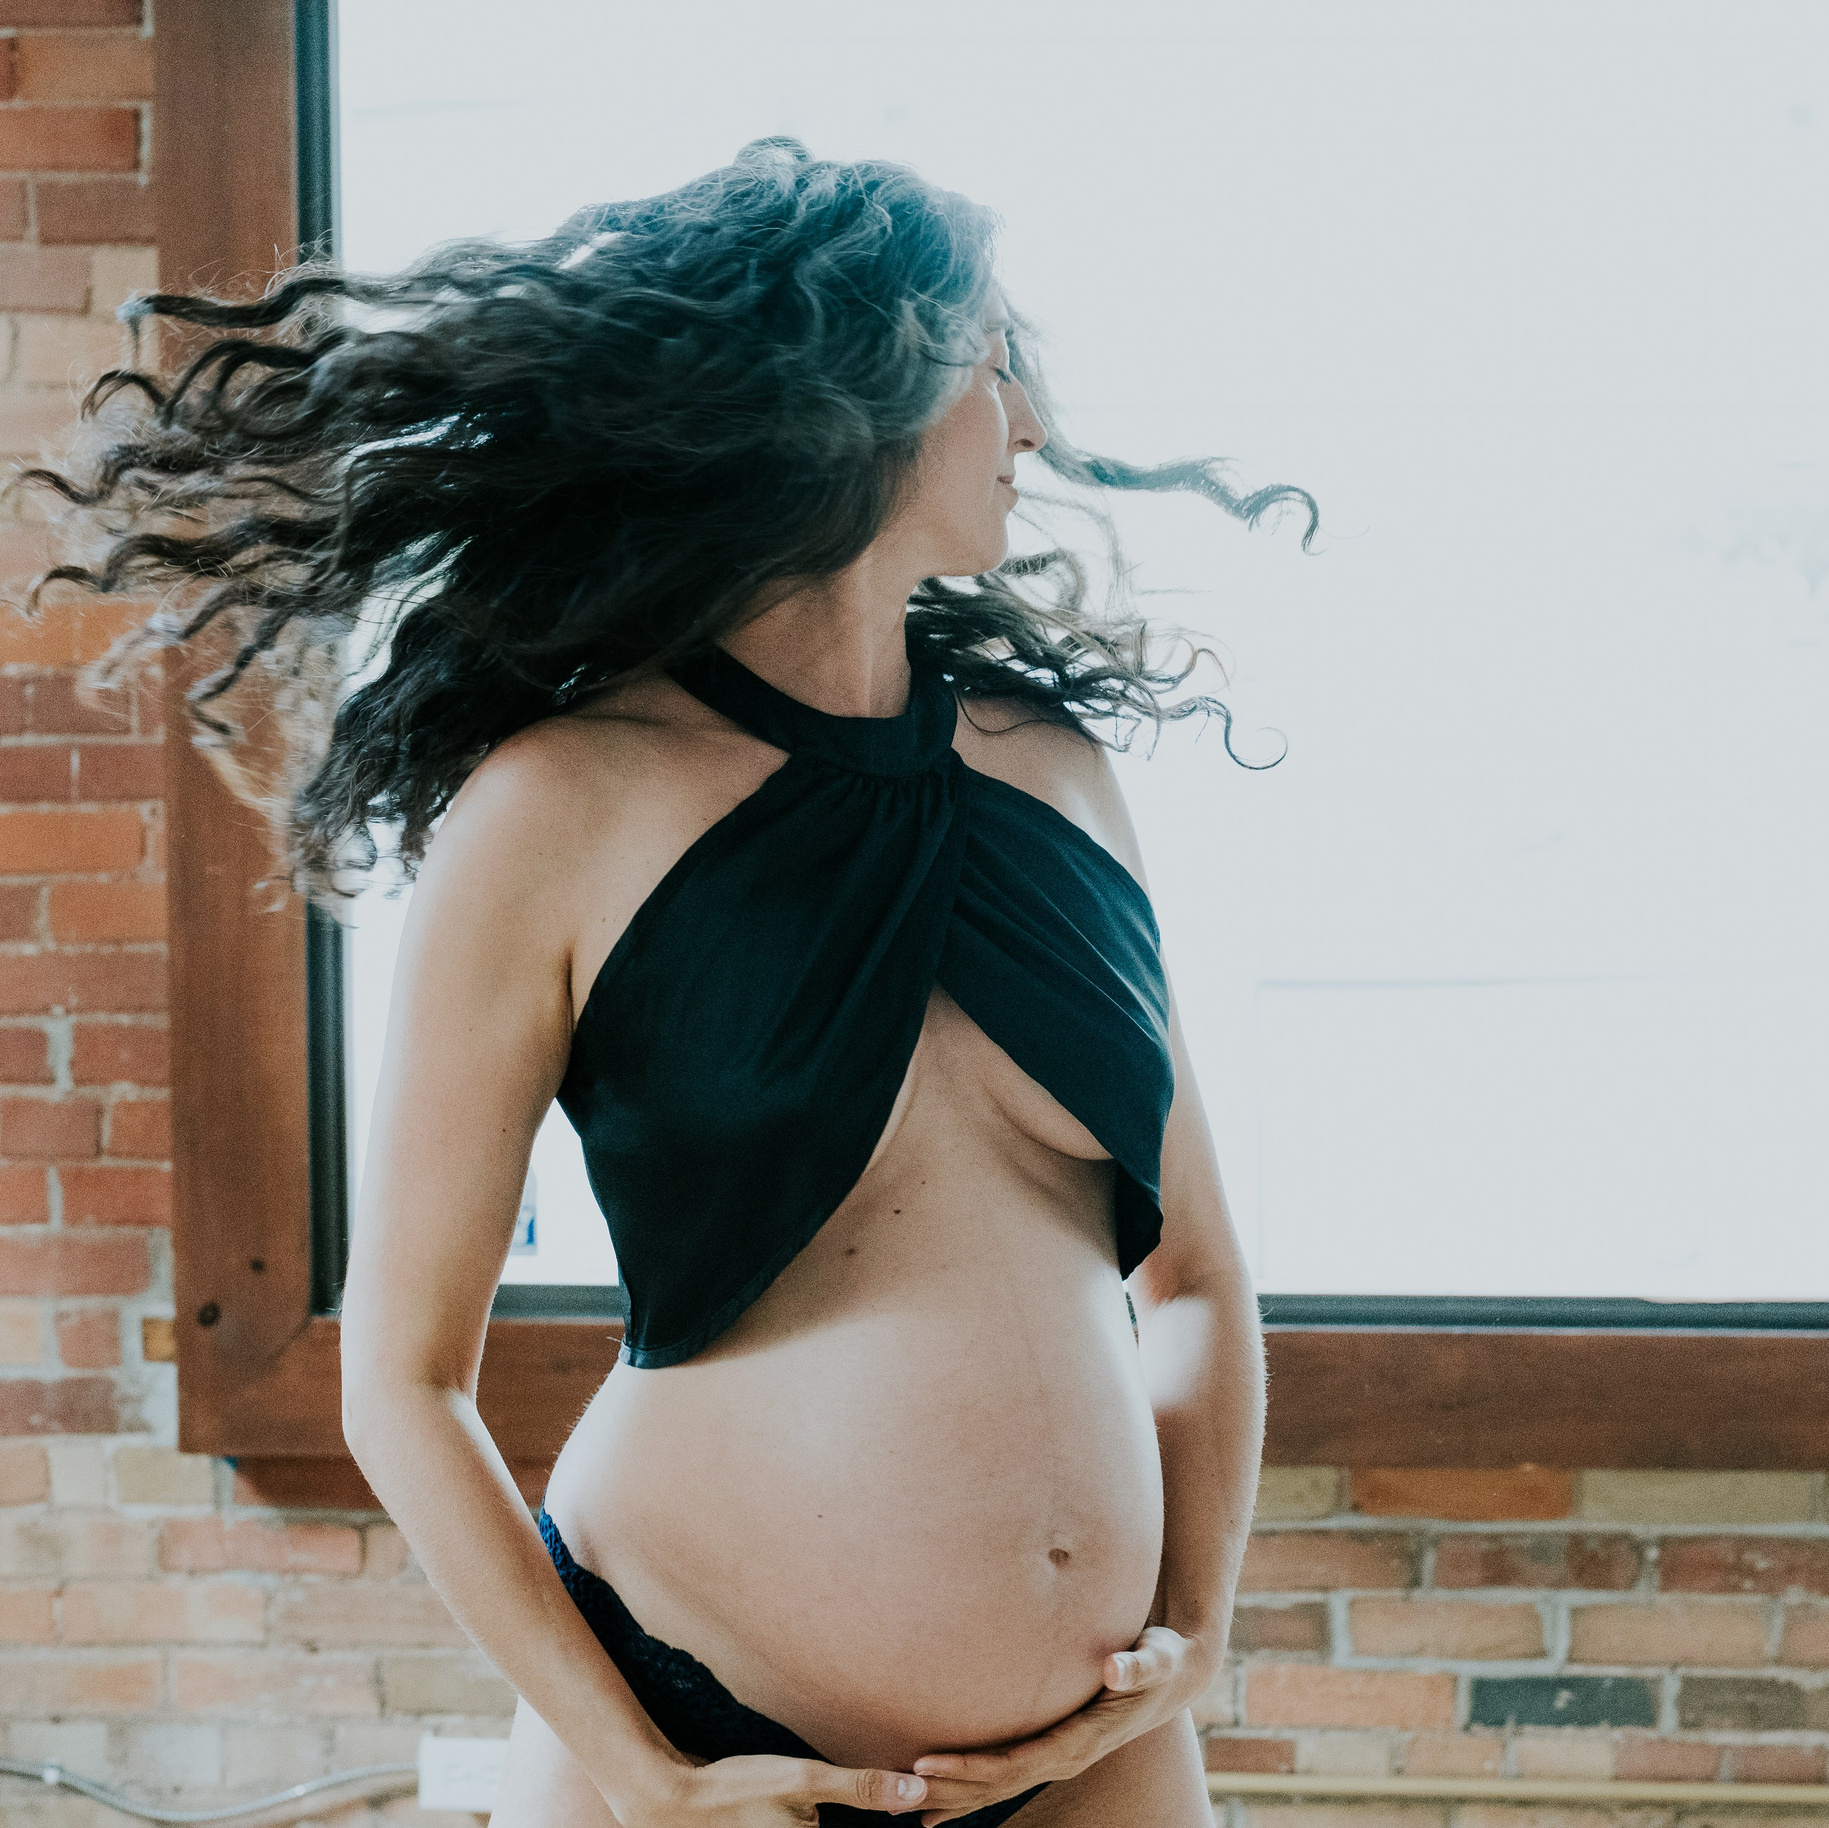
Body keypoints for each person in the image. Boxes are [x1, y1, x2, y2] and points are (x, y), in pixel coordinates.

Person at [35, 141, 1314, 1826]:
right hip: (692, 1725)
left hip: (1096, 1740)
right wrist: (641, 1774)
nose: (1037, 421)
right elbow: (401, 1380)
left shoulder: (1055, 772)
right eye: (994, 360)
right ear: (850, 396)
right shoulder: (558, 808)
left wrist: (1194, 1635)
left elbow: (1201, 1278)